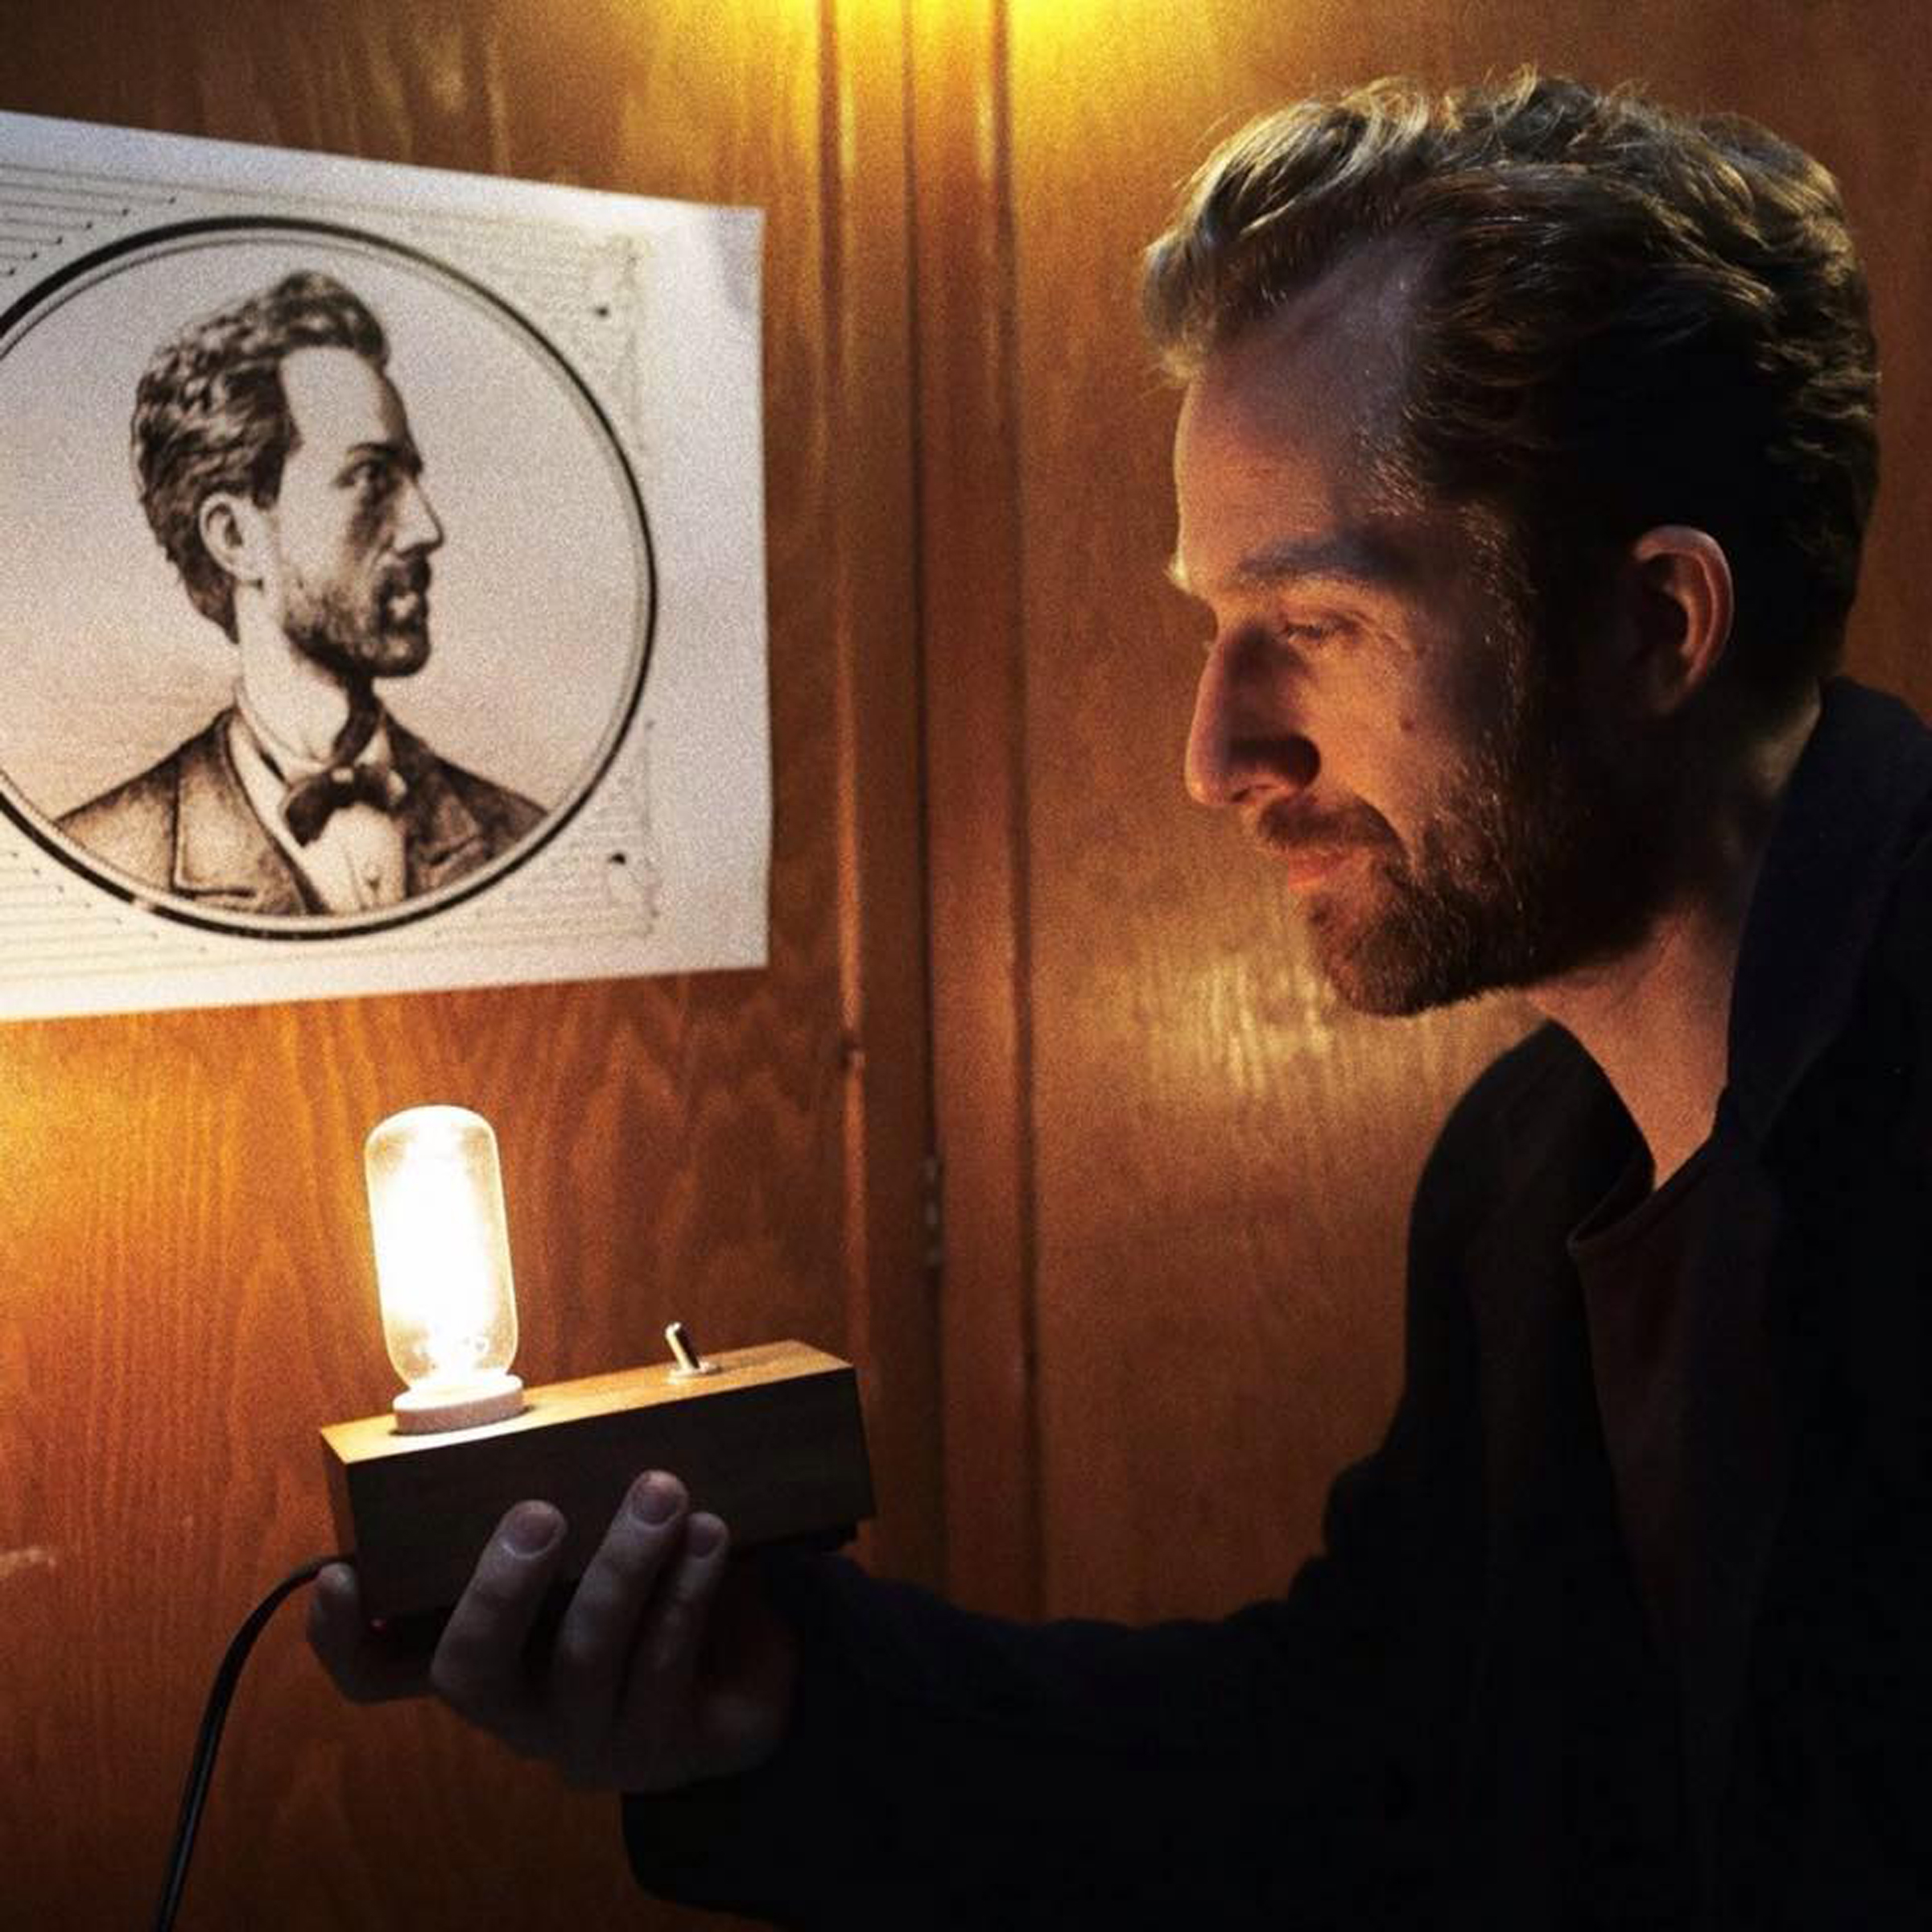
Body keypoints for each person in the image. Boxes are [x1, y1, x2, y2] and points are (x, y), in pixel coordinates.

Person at [312, 71, 1932, 1927]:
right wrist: (769, 1700)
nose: (1215, 754)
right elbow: (1354, 1754)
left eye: (1311, 624)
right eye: (1211, 626)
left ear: (1654, 624)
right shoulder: (1521, 1169)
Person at [60, 270, 541, 916]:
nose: (426, 528)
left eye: (411, 478)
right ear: (235, 537)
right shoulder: (106, 860)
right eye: (371, 478)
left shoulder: (520, 836)